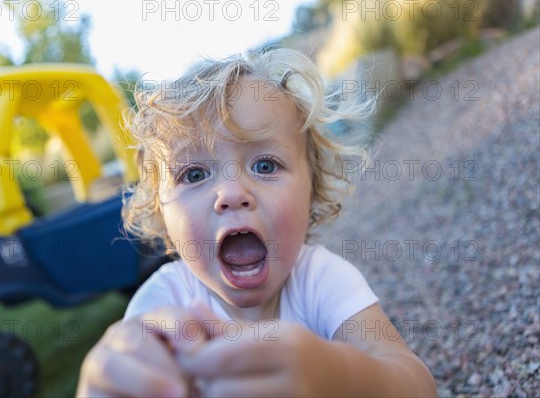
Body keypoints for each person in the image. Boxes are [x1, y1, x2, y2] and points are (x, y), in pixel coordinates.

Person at [77, 48, 436, 397]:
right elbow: (126, 365)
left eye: (264, 166)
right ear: (160, 211)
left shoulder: (322, 280)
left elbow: (416, 384)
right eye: (195, 173)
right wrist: (106, 379)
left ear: (313, 187)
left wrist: (340, 375)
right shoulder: (162, 303)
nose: (232, 193)